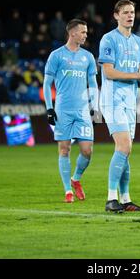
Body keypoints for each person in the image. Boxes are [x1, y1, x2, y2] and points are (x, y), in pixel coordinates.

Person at [98, 0, 140, 212]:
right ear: (116, 15)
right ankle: (111, 199)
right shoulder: (108, 39)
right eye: (125, 12)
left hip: (130, 100)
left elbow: (139, 72)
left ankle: (126, 199)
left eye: (132, 12)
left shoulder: (139, 42)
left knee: (125, 151)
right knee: (124, 146)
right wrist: (136, 75)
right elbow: (108, 72)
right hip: (112, 99)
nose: (130, 16)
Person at [43, 19, 98, 203]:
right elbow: (46, 83)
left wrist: (94, 106)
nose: (85, 35)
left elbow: (93, 84)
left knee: (87, 151)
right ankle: (68, 190)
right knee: (64, 149)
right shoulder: (56, 56)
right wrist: (49, 108)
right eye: (83, 32)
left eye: (86, 32)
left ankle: (76, 179)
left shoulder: (88, 57)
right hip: (63, 110)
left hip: (82, 111)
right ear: (72, 33)